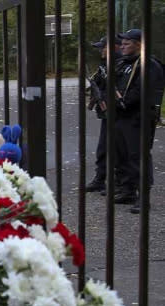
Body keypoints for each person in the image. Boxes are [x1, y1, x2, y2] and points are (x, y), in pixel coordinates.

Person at [113, 29, 165, 210]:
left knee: (138, 157)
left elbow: (141, 91)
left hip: (138, 118)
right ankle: (127, 191)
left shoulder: (149, 65)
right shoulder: (125, 63)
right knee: (123, 155)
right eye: (123, 43)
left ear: (140, 44)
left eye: (128, 43)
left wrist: (121, 101)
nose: (123, 46)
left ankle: (143, 197)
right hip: (122, 116)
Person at [86, 35, 123, 194]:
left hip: (119, 113)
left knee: (119, 149)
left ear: (115, 47)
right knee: (103, 148)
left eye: (104, 47)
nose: (101, 50)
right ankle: (100, 178)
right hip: (106, 113)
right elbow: (97, 84)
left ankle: (119, 182)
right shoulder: (105, 65)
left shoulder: (121, 65)